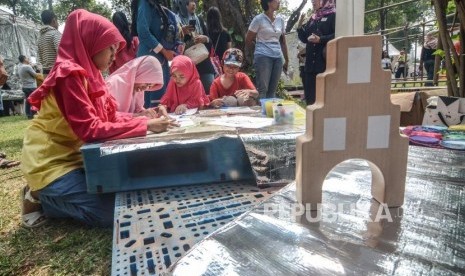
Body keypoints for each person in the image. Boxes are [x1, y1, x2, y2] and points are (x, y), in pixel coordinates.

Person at [20, 9, 178, 228]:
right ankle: (42, 198)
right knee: (112, 213)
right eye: (110, 47)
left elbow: (110, 117)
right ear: (90, 42)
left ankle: (57, 195)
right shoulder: (69, 75)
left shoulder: (93, 76)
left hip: (79, 158)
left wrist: (142, 118)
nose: (115, 54)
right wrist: (145, 124)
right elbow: (90, 130)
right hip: (52, 163)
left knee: (127, 193)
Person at [131, 0, 182, 108]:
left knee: (162, 97)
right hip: (150, 59)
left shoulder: (156, 5)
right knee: (151, 103)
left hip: (160, 58)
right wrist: (164, 51)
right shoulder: (145, 3)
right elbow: (143, 32)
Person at [245, 0, 289, 99]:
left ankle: (269, 112)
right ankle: (261, 112)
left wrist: (287, 59)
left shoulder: (280, 20)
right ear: (269, 3)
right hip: (263, 57)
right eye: (276, 0)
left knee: (272, 90)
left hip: (277, 57)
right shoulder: (258, 19)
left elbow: (283, 42)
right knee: (263, 89)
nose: (279, 2)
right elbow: (248, 40)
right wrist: (259, 50)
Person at [296, 0, 335, 105]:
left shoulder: (333, 15)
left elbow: (337, 35)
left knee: (324, 99)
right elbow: (305, 39)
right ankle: (311, 121)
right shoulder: (312, 18)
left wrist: (321, 39)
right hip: (310, 65)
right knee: (310, 99)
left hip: (324, 64)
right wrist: (299, 28)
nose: (313, 1)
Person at [174, 0, 216, 94]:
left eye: (194, 2)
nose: (193, 4)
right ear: (182, 5)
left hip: (204, 62)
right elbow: (172, 44)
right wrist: (181, 33)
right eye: (189, 2)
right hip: (186, 66)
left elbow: (210, 42)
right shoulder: (175, 21)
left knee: (209, 92)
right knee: (190, 95)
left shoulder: (199, 20)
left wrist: (205, 39)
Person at [37, 10, 62, 77]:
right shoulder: (55, 33)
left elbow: (40, 58)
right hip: (56, 73)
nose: (58, 24)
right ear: (54, 20)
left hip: (45, 73)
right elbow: (61, 53)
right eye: (57, 21)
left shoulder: (40, 37)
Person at [16, 55, 37, 119]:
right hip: (31, 86)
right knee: (33, 100)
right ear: (24, 59)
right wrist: (33, 67)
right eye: (27, 58)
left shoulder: (19, 66)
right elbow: (35, 75)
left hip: (24, 86)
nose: (28, 59)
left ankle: (28, 114)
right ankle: (33, 113)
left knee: (28, 101)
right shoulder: (27, 66)